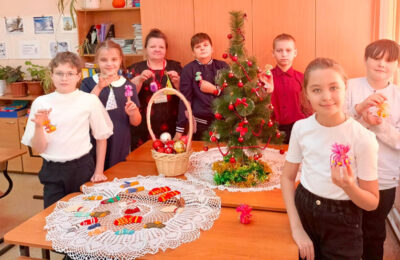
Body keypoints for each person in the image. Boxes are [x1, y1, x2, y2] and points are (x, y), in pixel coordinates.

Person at [281, 58, 379, 260]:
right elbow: (287, 178)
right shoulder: (301, 128)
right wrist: (296, 228)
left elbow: (372, 203)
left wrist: (349, 186)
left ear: (345, 88)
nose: (327, 97)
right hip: (304, 208)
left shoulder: (364, 139)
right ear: (306, 94)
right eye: (316, 90)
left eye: (334, 87)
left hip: (343, 219)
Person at [21, 52, 113, 208]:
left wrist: (99, 171)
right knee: (53, 215)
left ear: (78, 76)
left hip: (82, 168)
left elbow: (101, 136)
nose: (64, 78)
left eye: (70, 73)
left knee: (84, 215)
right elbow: (39, 148)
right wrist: (38, 126)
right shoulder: (41, 102)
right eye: (59, 73)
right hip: (52, 170)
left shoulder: (89, 100)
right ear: (51, 75)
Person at [346, 39, 400, 260]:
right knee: (346, 231)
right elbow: (335, 128)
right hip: (349, 173)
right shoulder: (348, 86)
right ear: (365, 60)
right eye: (376, 58)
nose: (382, 64)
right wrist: (359, 111)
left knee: (374, 233)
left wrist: (379, 126)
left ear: (396, 65)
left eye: (389, 60)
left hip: (384, 176)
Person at [81, 40, 141, 170]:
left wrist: (133, 113)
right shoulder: (88, 83)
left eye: (114, 59)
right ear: (97, 61)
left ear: (120, 60)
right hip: (93, 140)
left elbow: (136, 122)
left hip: (120, 141)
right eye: (104, 60)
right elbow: (83, 110)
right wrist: (99, 87)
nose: (109, 64)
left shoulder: (129, 85)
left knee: (117, 174)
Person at [128, 29, 182, 148]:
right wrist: (140, 79)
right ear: (146, 48)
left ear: (166, 49)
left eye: (161, 47)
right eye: (153, 46)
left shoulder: (175, 67)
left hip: (171, 123)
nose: (157, 49)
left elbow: (185, 96)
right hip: (143, 125)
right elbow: (128, 96)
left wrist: (178, 83)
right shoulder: (135, 68)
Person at [174, 32, 228, 140]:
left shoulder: (223, 66)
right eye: (198, 47)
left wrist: (215, 90)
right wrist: (179, 131)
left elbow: (232, 93)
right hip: (200, 124)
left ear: (212, 49)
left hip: (223, 123)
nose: (202, 48)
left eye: (205, 45)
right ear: (193, 52)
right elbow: (185, 100)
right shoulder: (188, 69)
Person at [271, 33, 309, 143]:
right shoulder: (266, 78)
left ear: (295, 53)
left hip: (299, 128)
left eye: (288, 50)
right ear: (273, 53)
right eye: (279, 51)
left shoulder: (303, 78)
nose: (284, 54)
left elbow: (309, 106)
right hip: (272, 129)